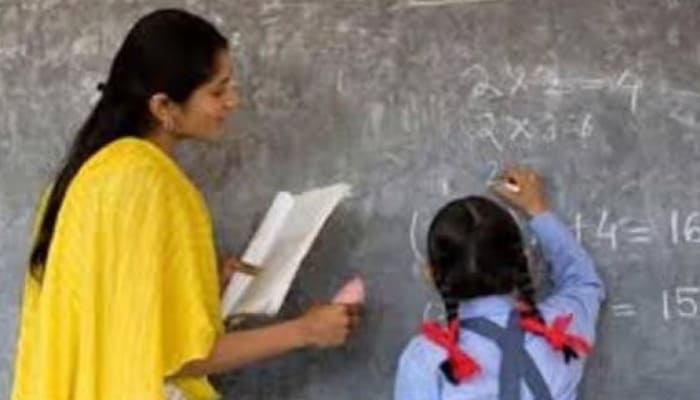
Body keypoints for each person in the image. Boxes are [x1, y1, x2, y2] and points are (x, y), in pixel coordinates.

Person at [11, 9, 359, 400]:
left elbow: (115, 318)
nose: (233, 101)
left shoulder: (79, 181)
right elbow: (180, 356)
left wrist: (199, 285)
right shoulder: (154, 184)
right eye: (217, 91)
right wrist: (305, 331)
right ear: (163, 107)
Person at [394, 167, 605, 400]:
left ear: (433, 274)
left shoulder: (426, 360)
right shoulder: (562, 328)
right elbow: (583, 281)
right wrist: (538, 210)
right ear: (523, 261)